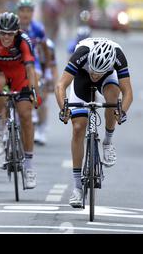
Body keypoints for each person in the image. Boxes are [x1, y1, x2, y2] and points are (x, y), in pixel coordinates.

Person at [56, 38, 132, 208]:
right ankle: (77, 188)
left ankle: (107, 141)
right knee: (77, 128)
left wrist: (122, 111)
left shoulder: (118, 57)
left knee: (113, 96)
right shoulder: (81, 54)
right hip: (82, 77)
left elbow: (128, 93)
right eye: (94, 71)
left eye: (99, 72)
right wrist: (64, 109)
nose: (95, 75)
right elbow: (60, 86)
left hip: (109, 77)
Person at [0, 12, 39, 189]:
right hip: (0, 75)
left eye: (10, 33)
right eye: (3, 33)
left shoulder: (24, 41)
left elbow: (31, 69)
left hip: (19, 77)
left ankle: (28, 166)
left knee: (26, 116)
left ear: (16, 32)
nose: (6, 37)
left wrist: (34, 92)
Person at [16, 0, 51, 144]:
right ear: (18, 12)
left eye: (28, 11)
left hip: (33, 62)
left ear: (32, 13)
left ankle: (37, 117)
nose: (25, 14)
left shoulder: (38, 28)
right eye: (22, 11)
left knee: (35, 78)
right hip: (15, 62)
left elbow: (45, 49)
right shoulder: (13, 26)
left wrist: (46, 69)